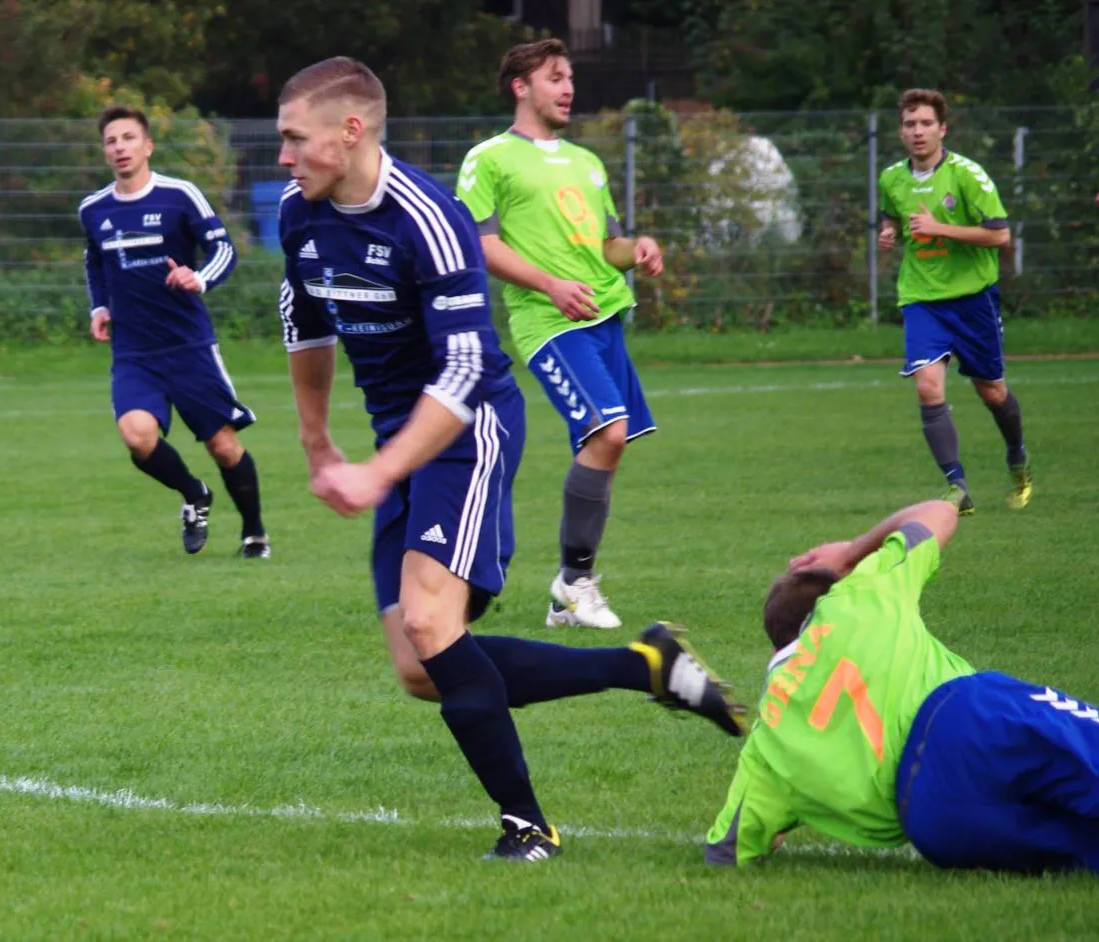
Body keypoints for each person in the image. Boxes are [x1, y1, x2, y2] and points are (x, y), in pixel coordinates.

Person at [275, 57, 746, 862]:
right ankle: (645, 667)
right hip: (399, 442)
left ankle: (528, 826)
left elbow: (463, 371)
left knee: (429, 621)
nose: (283, 158)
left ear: (350, 131)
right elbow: (306, 321)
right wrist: (318, 442)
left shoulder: (430, 218)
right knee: (422, 667)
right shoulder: (300, 213)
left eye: (294, 139)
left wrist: (380, 473)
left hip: (469, 428)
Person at [707, 499, 1096, 872]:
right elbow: (939, 511)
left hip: (934, 820)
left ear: (776, 646)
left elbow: (725, 849)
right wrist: (852, 553)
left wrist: (770, 830)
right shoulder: (855, 596)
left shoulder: (766, 743)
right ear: (830, 595)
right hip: (969, 720)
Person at [456, 40, 666, 631]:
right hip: (549, 323)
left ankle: (567, 597)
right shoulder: (489, 158)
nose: (568, 87)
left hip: (604, 316)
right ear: (520, 87)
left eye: (569, 77)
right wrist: (549, 285)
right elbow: (481, 244)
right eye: (554, 77)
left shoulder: (587, 162)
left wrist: (638, 249)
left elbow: (608, 245)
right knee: (609, 433)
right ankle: (574, 583)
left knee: (604, 448)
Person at [80, 105, 266, 557]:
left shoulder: (180, 195)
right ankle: (194, 494)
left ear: (147, 146)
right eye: (111, 141)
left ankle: (254, 532)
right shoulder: (94, 209)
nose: (120, 147)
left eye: (128, 138)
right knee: (137, 436)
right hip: (134, 350)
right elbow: (95, 261)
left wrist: (198, 278)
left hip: (188, 346)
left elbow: (223, 248)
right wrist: (100, 306)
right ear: (104, 152)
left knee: (223, 446)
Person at [877, 89, 1030, 514]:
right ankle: (956, 486)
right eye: (910, 124)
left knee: (992, 391)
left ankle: (1017, 456)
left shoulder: (968, 175)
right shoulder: (891, 178)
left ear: (942, 129)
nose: (918, 131)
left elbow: (1000, 235)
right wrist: (889, 231)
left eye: (926, 123)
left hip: (973, 299)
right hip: (922, 298)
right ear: (901, 131)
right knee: (927, 386)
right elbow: (890, 212)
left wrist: (939, 228)